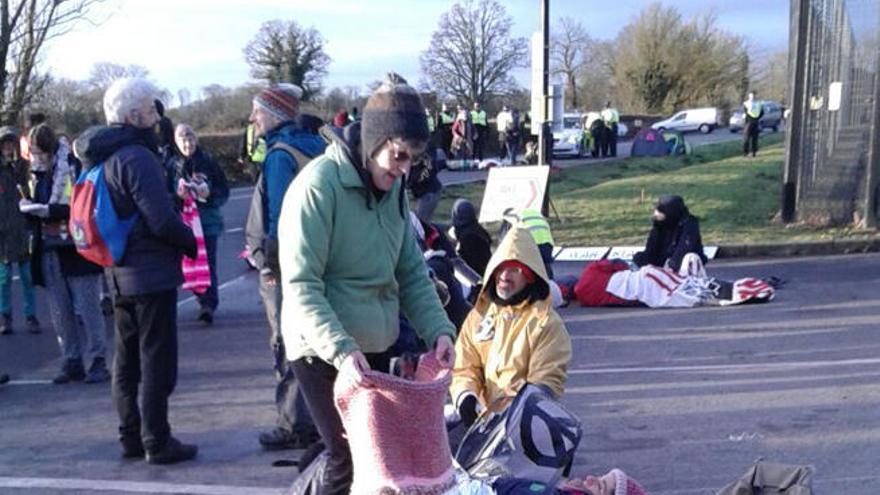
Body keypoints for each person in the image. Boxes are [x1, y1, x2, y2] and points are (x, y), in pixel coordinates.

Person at [278, 72, 456, 494]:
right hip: (320, 347)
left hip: (374, 343)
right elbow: (302, 285)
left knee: (376, 460)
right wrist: (341, 350)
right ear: (373, 143)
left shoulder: (393, 189)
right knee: (346, 456)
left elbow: (410, 270)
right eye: (398, 156)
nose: (404, 169)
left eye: (412, 158)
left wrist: (438, 331)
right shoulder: (318, 187)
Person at [74, 78, 198, 464]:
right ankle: (157, 440)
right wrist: (189, 240)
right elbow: (160, 219)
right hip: (150, 273)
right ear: (132, 116)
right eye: (148, 109)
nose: (155, 115)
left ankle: (130, 436)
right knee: (156, 360)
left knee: (125, 360)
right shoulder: (137, 156)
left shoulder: (101, 155)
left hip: (118, 269)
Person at [245, 84, 327, 451]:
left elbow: (279, 217)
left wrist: (270, 265)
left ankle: (295, 423)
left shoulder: (280, 155)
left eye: (257, 111)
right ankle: (322, 416)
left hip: (288, 265)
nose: (252, 118)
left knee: (287, 340)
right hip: (321, 257)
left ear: (275, 114)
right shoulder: (317, 147)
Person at [451, 226, 572, 426]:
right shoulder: (478, 316)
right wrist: (466, 397)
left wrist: (514, 417)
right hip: (481, 425)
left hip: (526, 428)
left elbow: (545, 381)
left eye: (515, 270)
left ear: (530, 276)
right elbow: (463, 367)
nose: (504, 276)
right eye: (500, 268)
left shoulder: (546, 323)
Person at [19, 124, 109, 384]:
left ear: (49, 149)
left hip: (77, 246)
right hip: (49, 247)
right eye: (32, 153)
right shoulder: (37, 174)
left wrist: (47, 211)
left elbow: (79, 205)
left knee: (88, 306)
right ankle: (71, 360)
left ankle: (98, 360)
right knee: (60, 310)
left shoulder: (72, 167)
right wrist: (29, 209)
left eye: (39, 153)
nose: (35, 158)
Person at [171, 124, 229, 325]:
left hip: (207, 221)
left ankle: (208, 304)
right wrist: (178, 197)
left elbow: (223, 190)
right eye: (183, 141)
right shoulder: (173, 165)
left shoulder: (208, 162)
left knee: (208, 262)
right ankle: (200, 297)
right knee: (190, 262)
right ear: (176, 142)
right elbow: (166, 195)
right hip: (184, 223)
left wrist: (208, 194)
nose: (187, 144)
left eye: (190, 139)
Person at [0, 127, 38, 335]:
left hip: (23, 229)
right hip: (3, 233)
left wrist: (18, 168)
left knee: (27, 276)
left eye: (11, 144)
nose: (8, 148)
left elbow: (29, 191)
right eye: (4, 144)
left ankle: (30, 315)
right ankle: (6, 316)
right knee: (4, 278)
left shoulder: (22, 167)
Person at [632, 195, 707, 277]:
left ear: (670, 212)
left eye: (660, 211)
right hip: (662, 261)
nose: (655, 214)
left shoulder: (689, 224)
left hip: (679, 264)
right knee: (639, 258)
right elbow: (651, 249)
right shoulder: (660, 224)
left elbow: (684, 248)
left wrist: (671, 266)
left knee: (689, 257)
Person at [501, 208, 556, 279]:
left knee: (527, 268)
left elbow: (505, 237)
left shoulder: (509, 216)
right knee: (545, 266)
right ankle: (549, 285)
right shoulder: (530, 212)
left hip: (532, 242)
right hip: (547, 241)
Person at [449, 198, 492, 277]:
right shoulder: (479, 229)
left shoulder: (467, 237)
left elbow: (467, 264)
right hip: (486, 273)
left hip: (474, 277)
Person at [406, 146, 444, 223]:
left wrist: (412, 180)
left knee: (421, 224)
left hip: (430, 192)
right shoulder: (410, 143)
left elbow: (430, 169)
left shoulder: (426, 145)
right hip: (422, 192)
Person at [742, 92, 763, 157]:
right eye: (751, 96)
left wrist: (757, 118)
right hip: (748, 123)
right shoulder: (746, 104)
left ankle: (754, 152)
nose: (752, 97)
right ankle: (745, 153)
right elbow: (745, 112)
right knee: (746, 139)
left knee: (755, 139)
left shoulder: (758, 104)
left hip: (755, 123)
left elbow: (762, 112)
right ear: (749, 96)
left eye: (753, 96)